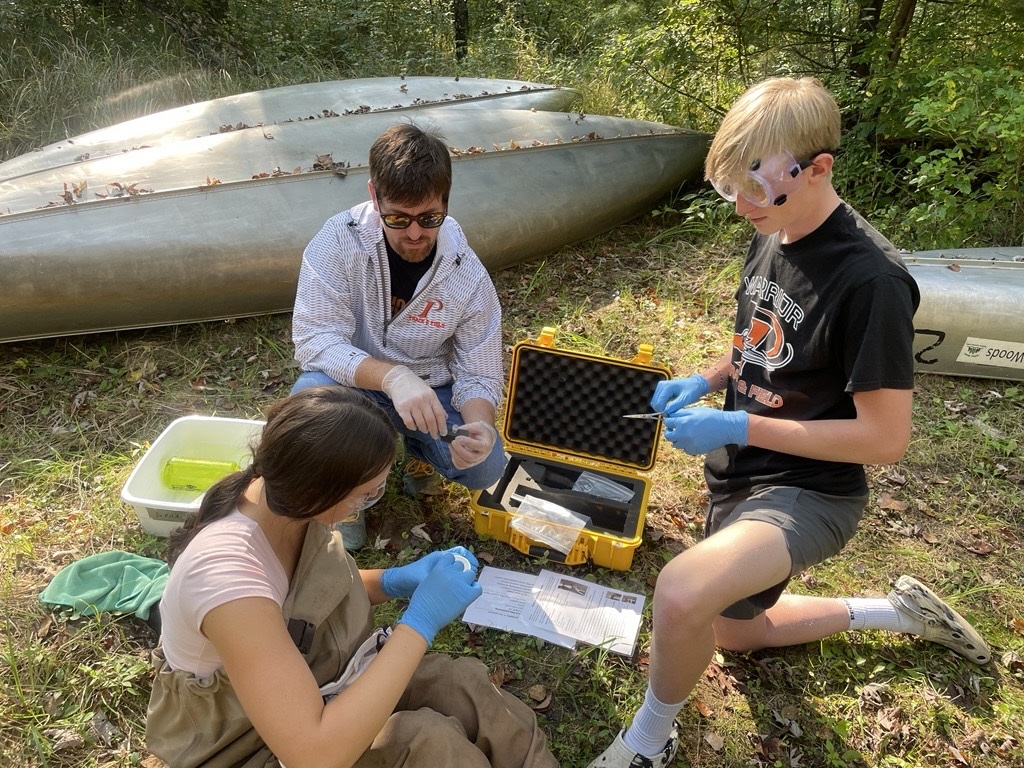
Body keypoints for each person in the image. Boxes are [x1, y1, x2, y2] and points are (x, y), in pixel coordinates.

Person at [587, 77, 990, 768]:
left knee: (681, 591)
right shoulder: (774, 224)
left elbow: (885, 439)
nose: (742, 207)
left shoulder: (872, 281)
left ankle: (650, 739)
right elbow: (765, 341)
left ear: (818, 168)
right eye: (731, 190)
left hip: (811, 488)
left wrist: (739, 428)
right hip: (743, 473)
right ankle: (895, 614)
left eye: (755, 191)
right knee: (734, 634)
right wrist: (711, 379)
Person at [146, 387, 558, 768]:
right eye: (367, 494)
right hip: (250, 743)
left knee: (463, 684)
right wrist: (419, 624)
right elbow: (315, 752)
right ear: (318, 491)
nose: (367, 504)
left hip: (321, 678)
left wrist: (393, 581)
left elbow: (300, 600)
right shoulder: (227, 578)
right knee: (428, 743)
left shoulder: (287, 501)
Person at [290, 121, 506, 512]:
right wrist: (392, 377)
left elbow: (481, 373)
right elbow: (315, 340)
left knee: (486, 467)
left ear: (447, 201)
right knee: (311, 408)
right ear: (374, 196)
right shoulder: (337, 242)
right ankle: (347, 492)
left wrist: (480, 427)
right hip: (354, 383)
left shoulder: (467, 274)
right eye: (398, 218)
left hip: (432, 393)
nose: (413, 234)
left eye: (429, 218)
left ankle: (419, 450)